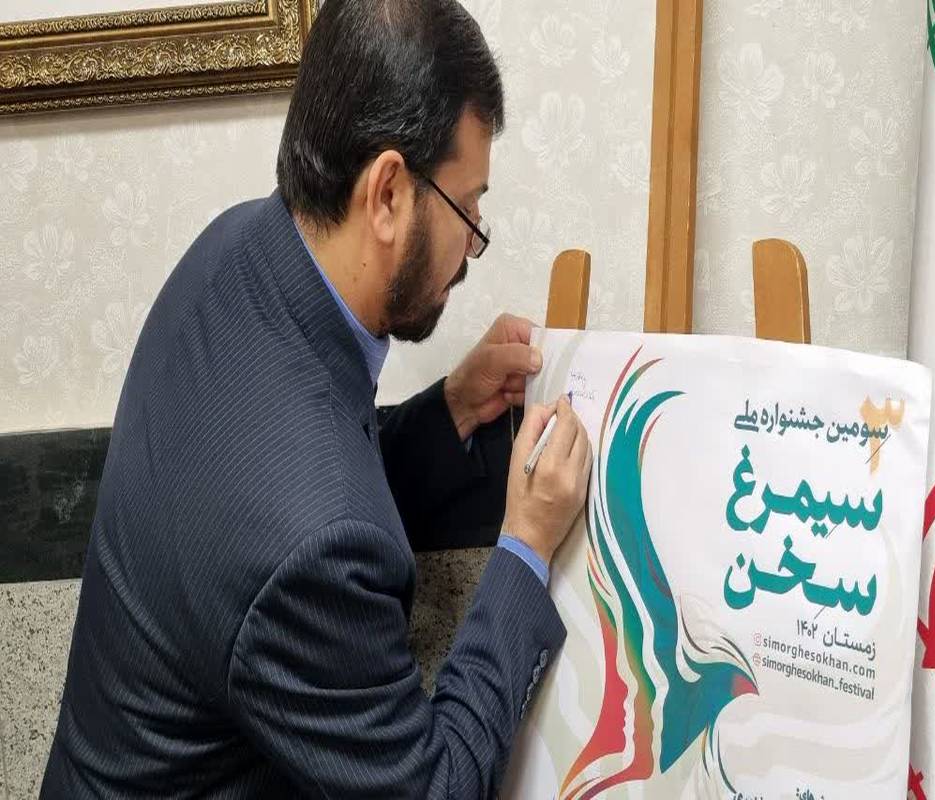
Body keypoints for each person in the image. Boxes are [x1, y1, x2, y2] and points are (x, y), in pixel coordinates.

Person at [40, 0, 591, 796]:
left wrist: (452, 409)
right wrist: (526, 546)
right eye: (466, 206)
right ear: (388, 192)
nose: (473, 242)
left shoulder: (236, 250)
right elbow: (433, 787)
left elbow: (312, 465)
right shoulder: (309, 545)